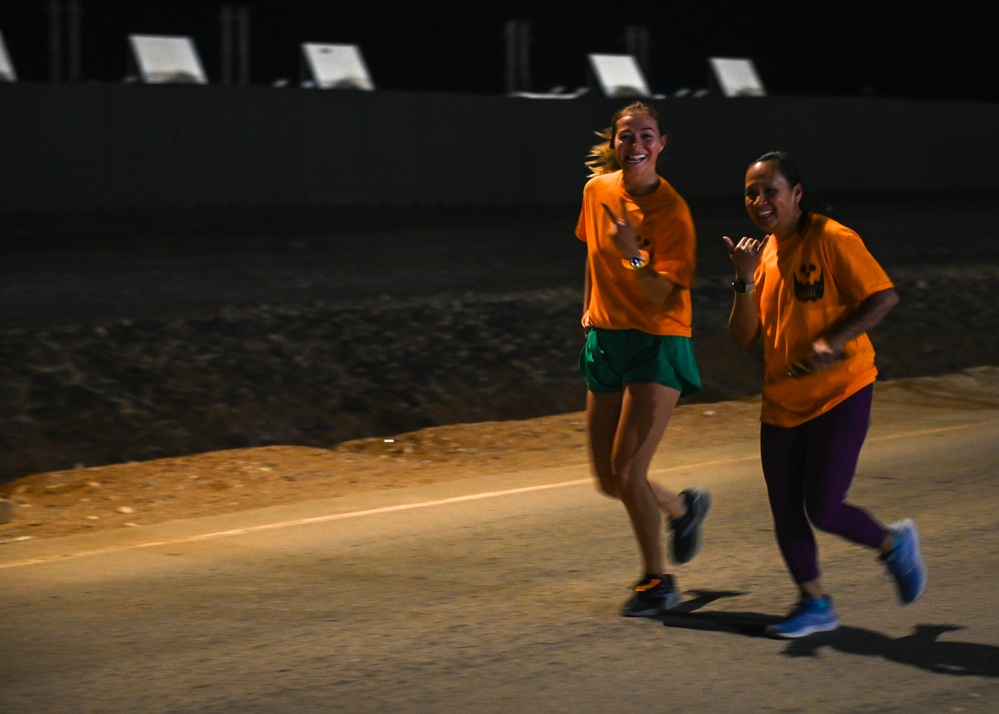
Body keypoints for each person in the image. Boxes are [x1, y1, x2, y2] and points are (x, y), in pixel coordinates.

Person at [723, 151, 927, 638]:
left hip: (841, 390)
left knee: (825, 506)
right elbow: (744, 338)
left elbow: (883, 297)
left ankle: (893, 545)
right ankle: (815, 603)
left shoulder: (833, 239)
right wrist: (743, 277)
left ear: (796, 193)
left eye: (770, 189)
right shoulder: (764, 254)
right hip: (782, 399)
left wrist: (832, 340)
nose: (759, 200)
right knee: (785, 509)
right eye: (751, 192)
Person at [576, 101, 710, 618]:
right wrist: (587, 307)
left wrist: (633, 254)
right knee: (610, 480)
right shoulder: (596, 191)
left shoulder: (672, 212)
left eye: (645, 136)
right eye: (626, 137)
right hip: (606, 340)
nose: (635, 146)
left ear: (661, 144)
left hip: (657, 338)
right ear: (613, 143)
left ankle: (659, 582)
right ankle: (682, 508)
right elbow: (590, 253)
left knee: (630, 470)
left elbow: (662, 296)